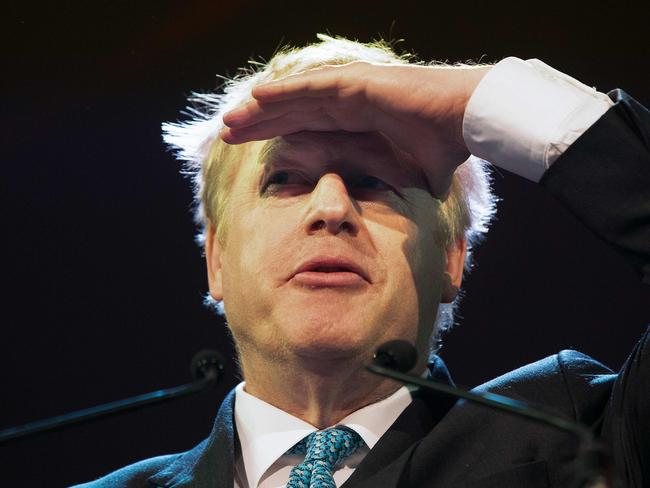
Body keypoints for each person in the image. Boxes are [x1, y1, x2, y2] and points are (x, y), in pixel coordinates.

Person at [75, 35, 650, 487]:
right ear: (216, 261)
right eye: (285, 181)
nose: (331, 207)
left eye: (373, 182)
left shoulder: (577, 434)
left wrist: (486, 100)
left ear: (451, 256)